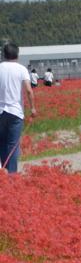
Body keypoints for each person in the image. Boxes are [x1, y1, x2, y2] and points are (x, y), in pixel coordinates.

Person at [0, 44, 36, 174]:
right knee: (14, 145)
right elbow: (28, 90)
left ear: (3, 55)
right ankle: (12, 174)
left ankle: (4, 171)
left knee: (2, 143)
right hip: (15, 112)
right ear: (17, 55)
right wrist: (32, 108)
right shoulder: (21, 69)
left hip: (0, 111)